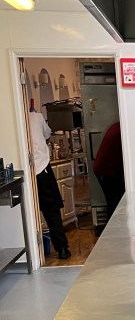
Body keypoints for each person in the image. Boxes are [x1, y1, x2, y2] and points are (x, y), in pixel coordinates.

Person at [28, 108, 71, 260]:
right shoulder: (37, 116)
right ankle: (62, 249)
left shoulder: (14, 119)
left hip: (26, 171)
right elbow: (47, 134)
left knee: (29, 211)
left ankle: (33, 251)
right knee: (51, 211)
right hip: (42, 169)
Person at [93, 121, 125, 221]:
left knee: (114, 203)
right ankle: (113, 228)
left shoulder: (118, 126)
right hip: (107, 170)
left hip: (104, 168)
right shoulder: (124, 130)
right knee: (116, 203)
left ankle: (114, 227)